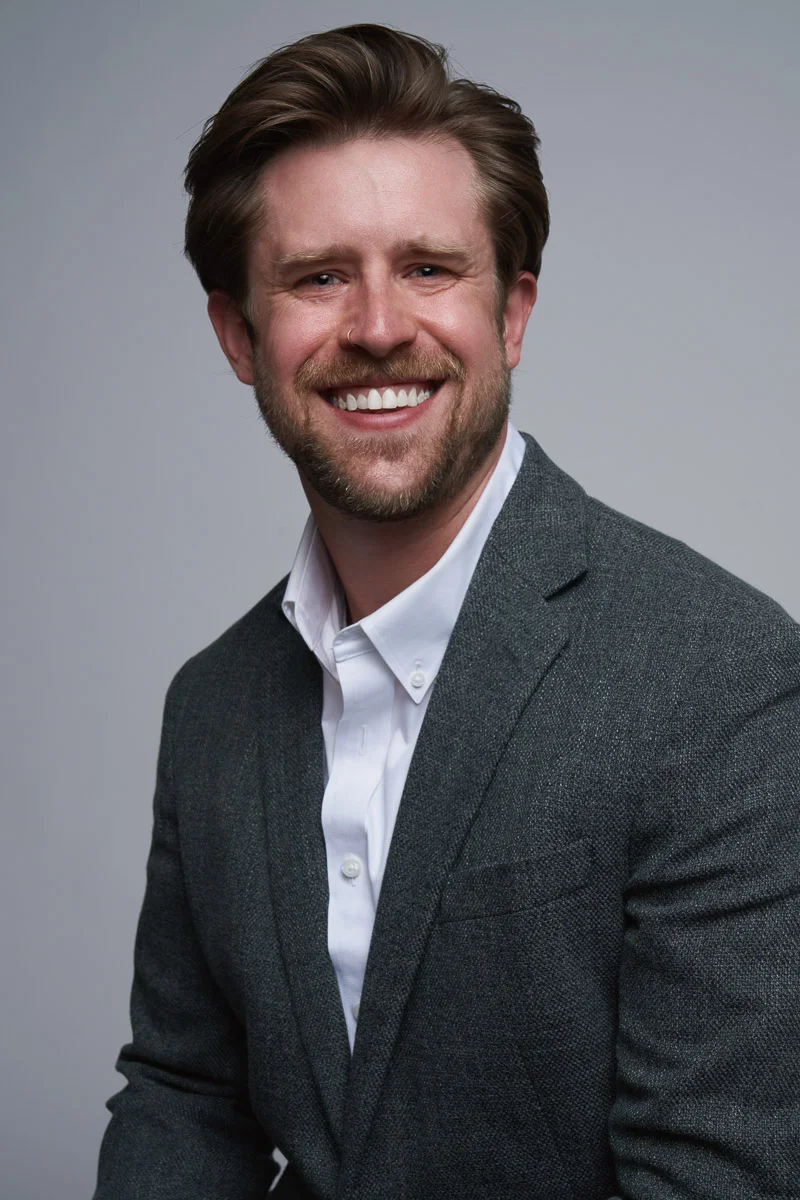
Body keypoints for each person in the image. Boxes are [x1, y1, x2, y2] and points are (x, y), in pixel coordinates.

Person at [94, 23, 800, 1200]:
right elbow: (184, 1096)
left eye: (428, 267)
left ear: (510, 314)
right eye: (318, 276)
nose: (377, 325)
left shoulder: (718, 679)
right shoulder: (209, 706)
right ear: (237, 334)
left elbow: (715, 1178)